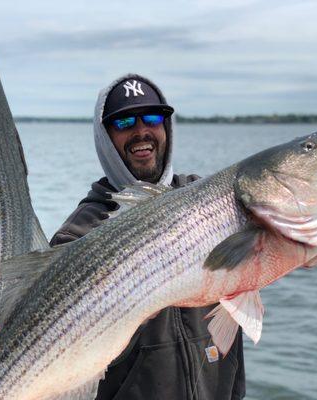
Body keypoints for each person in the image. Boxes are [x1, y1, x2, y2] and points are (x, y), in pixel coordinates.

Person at [50, 73, 246, 399]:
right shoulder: (77, 236)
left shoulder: (212, 202)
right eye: (124, 121)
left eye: (153, 117)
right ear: (104, 137)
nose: (141, 130)